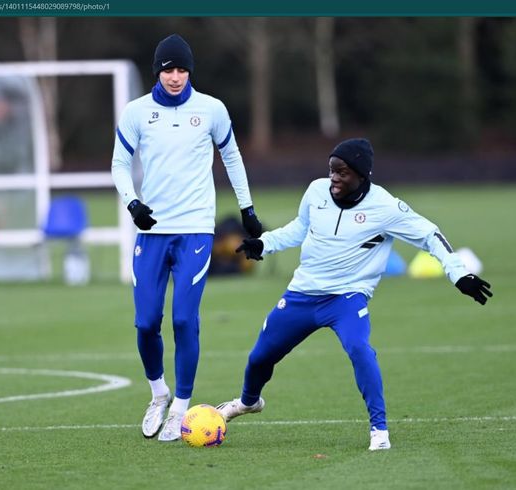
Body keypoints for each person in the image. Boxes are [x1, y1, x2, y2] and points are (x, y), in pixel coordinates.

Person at [216, 137, 492, 451]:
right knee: (259, 357)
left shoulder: (386, 208)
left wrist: (459, 274)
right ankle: (248, 402)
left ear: (362, 176)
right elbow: (299, 228)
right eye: (332, 169)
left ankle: (379, 430)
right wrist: (263, 243)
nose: (334, 177)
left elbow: (430, 235)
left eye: (342, 172)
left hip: (347, 299)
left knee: (360, 349)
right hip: (302, 294)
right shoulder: (316, 191)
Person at [111, 34, 262, 442]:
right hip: (152, 231)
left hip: (196, 228)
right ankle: (158, 393)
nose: (175, 76)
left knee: (183, 319)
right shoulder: (136, 112)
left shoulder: (211, 109)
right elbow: (120, 164)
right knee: (146, 323)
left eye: (181, 69)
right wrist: (133, 203)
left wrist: (247, 210)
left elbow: (232, 157)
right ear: (156, 71)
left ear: (189, 71)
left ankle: (181, 405)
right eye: (167, 69)